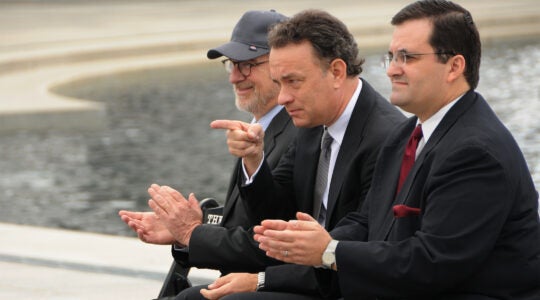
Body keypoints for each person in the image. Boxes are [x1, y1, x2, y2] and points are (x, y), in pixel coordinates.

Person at [254, 1, 540, 299]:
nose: (392, 70)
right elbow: (368, 222)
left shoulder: (476, 152)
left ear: (454, 66)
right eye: (391, 57)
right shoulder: (405, 135)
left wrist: (328, 252)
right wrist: (309, 246)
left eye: (407, 57)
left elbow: (432, 264)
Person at [203, 9, 406, 300]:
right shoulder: (314, 120)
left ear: (337, 72)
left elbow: (362, 249)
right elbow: (275, 214)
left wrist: (260, 280)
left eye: (293, 81)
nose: (283, 98)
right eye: (279, 82)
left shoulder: (387, 137)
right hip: (306, 274)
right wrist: (254, 160)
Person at [118, 9, 298, 299]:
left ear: (281, 65)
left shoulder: (299, 131)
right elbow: (252, 223)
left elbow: (272, 241)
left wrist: (193, 233)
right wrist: (189, 228)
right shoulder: (263, 128)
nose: (235, 77)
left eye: (248, 65)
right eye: (231, 65)